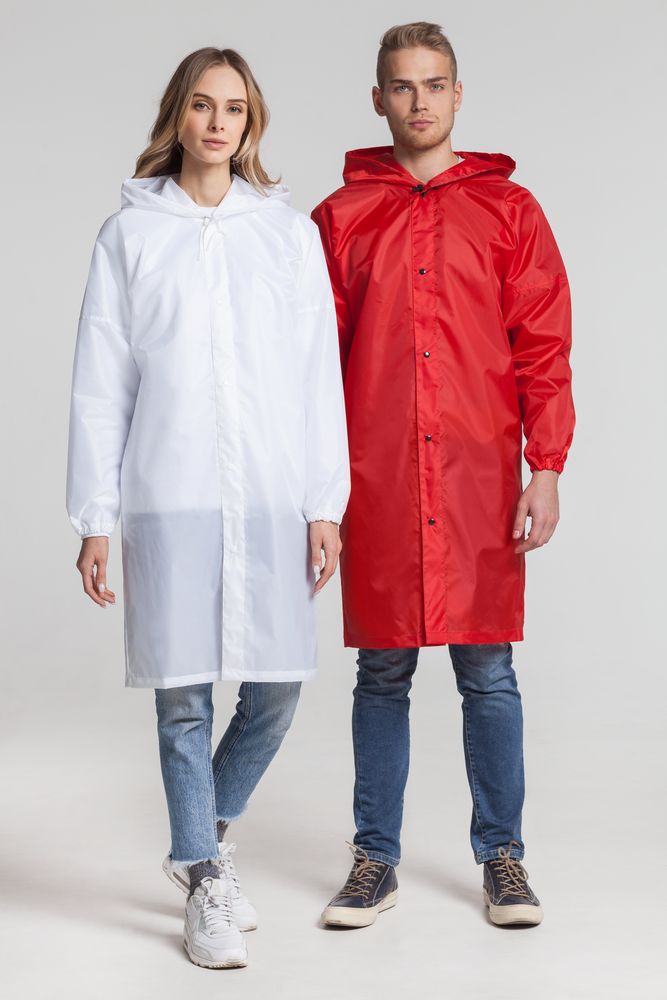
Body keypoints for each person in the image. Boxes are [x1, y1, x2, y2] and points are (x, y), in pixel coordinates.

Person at [66, 46, 350, 969]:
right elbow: (101, 382)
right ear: (177, 117)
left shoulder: (285, 233)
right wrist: (95, 516)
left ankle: (199, 849)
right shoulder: (130, 235)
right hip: (171, 490)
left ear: (250, 122)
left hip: (269, 491)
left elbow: (315, 375)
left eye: (233, 108)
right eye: (201, 104)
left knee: (275, 690)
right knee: (182, 699)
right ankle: (206, 882)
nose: (218, 122)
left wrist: (323, 502)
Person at [312, 22, 575, 929]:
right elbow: (311, 367)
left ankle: (502, 857)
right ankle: (373, 861)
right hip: (378, 476)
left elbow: (543, 346)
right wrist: (317, 491)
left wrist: (545, 467)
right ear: (377, 98)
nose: (418, 101)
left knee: (487, 670)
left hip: (474, 478)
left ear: (457, 95)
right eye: (401, 85)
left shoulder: (509, 210)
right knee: (380, 672)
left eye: (433, 85)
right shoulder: (340, 218)